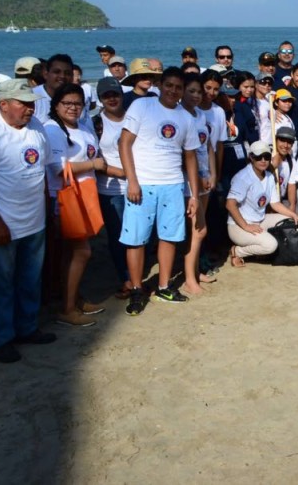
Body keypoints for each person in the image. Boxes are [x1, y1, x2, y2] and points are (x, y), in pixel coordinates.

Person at [0, 79, 56, 363]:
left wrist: (46, 207)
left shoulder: (36, 127)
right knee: (0, 284)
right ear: (3, 104)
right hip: (1, 225)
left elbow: (42, 170)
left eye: (31, 103)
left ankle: (27, 328)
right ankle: (1, 339)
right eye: (23, 103)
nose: (30, 108)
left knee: (30, 279)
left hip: (34, 221)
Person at [118, 67, 201, 315]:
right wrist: (132, 180)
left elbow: (191, 159)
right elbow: (124, 143)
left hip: (173, 184)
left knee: (170, 237)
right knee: (136, 239)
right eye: (169, 85)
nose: (173, 91)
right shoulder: (143, 106)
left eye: (178, 87)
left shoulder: (186, 117)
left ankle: (164, 286)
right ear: (159, 85)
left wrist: (194, 195)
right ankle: (136, 289)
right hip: (142, 183)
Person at [44, 84, 106, 327]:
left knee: (71, 253)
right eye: (67, 103)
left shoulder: (83, 127)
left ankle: (73, 298)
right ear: (56, 105)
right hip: (64, 198)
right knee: (82, 251)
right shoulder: (53, 129)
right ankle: (67, 308)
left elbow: (94, 159)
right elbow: (58, 168)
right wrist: (95, 165)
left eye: (77, 103)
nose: (72, 107)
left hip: (85, 195)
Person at [225, 140, 298, 265]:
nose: (263, 160)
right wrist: (246, 226)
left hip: (260, 220)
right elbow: (230, 204)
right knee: (270, 245)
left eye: (267, 157)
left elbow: (275, 204)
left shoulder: (269, 176)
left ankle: (260, 249)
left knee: (289, 221)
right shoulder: (242, 177)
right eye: (258, 157)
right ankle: (238, 251)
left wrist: (293, 214)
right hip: (238, 226)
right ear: (251, 157)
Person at [91, 77, 131, 298]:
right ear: (100, 99)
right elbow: (95, 160)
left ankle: (135, 274)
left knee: (139, 234)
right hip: (111, 190)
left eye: (115, 94)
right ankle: (126, 278)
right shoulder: (96, 123)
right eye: (106, 96)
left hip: (138, 184)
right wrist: (124, 173)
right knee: (118, 236)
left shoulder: (134, 119)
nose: (112, 99)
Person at [179, 73, 216, 295]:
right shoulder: (180, 116)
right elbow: (184, 154)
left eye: (198, 92)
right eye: (191, 91)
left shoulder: (201, 115)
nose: (196, 95)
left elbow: (208, 147)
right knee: (197, 230)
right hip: (188, 181)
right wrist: (198, 177)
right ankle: (189, 279)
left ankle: (194, 272)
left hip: (204, 178)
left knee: (199, 230)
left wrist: (211, 173)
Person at [32, 54, 76, 124]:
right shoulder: (33, 98)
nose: (62, 76)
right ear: (46, 74)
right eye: (57, 72)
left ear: (72, 76)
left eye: (67, 73)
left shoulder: (75, 100)